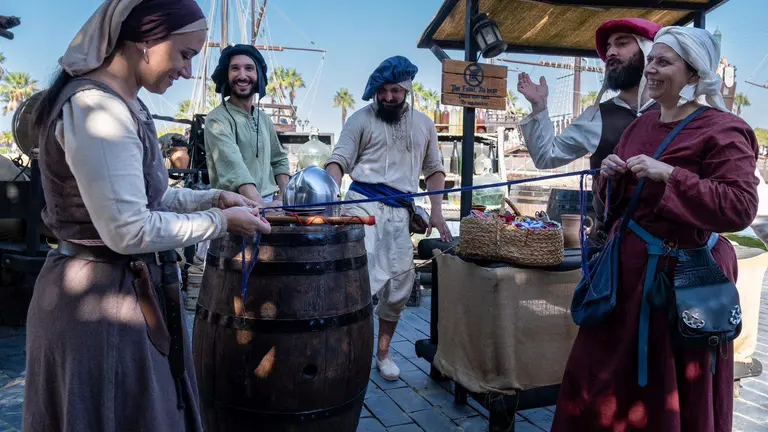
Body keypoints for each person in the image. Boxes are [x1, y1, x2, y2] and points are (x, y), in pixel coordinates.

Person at [22, 1, 271, 430]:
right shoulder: (94, 110)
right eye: (185, 54)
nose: (189, 72)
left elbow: (145, 200)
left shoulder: (123, 103)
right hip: (98, 310)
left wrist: (213, 198)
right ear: (146, 41)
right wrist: (221, 222)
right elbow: (129, 230)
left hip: (127, 298)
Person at [552, 26, 760, 431]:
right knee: (601, 385)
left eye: (664, 62)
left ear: (695, 74)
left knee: (664, 394)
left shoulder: (724, 129)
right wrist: (608, 176)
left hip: (679, 289)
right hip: (623, 286)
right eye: (652, 61)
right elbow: (618, 205)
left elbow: (740, 208)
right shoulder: (640, 126)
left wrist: (670, 175)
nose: (651, 70)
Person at [325, 56, 451, 381]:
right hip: (360, 206)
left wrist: (436, 212)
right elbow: (338, 161)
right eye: (383, 90)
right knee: (358, 283)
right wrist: (327, 196)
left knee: (399, 286)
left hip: (401, 213)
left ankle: (383, 353)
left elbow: (434, 168)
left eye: (396, 90)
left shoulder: (424, 124)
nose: (389, 97)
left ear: (407, 89)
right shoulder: (360, 119)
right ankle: (347, 353)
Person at [204, 43, 290, 208]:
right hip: (236, 207)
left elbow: (279, 159)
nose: (242, 76)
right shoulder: (217, 119)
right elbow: (234, 169)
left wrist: (285, 198)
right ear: (226, 75)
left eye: (249, 68)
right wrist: (262, 208)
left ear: (258, 75)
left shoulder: (264, 119)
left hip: (271, 205)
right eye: (235, 69)